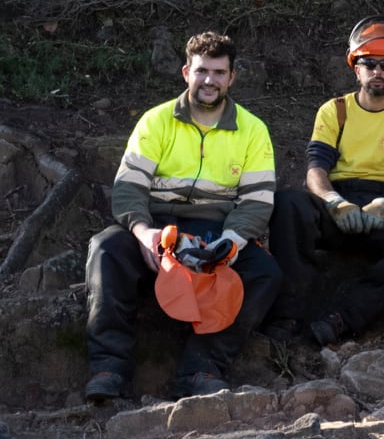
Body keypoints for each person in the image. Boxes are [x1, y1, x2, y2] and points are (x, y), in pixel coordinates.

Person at [86, 31, 283, 402]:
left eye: (219, 73)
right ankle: (109, 368)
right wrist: (145, 233)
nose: (209, 80)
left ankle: (201, 370)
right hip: (156, 222)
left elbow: (258, 201)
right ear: (185, 73)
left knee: (264, 272)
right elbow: (128, 189)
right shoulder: (155, 121)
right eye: (201, 71)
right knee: (105, 249)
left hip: (217, 230)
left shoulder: (253, 130)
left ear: (232, 77)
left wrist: (232, 243)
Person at [270, 17, 384, 346]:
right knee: (287, 205)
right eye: (368, 63)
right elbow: (316, 168)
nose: (377, 71)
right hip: (336, 203)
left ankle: (344, 319)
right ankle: (285, 316)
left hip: (379, 207)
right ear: (355, 69)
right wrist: (334, 201)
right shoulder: (335, 111)